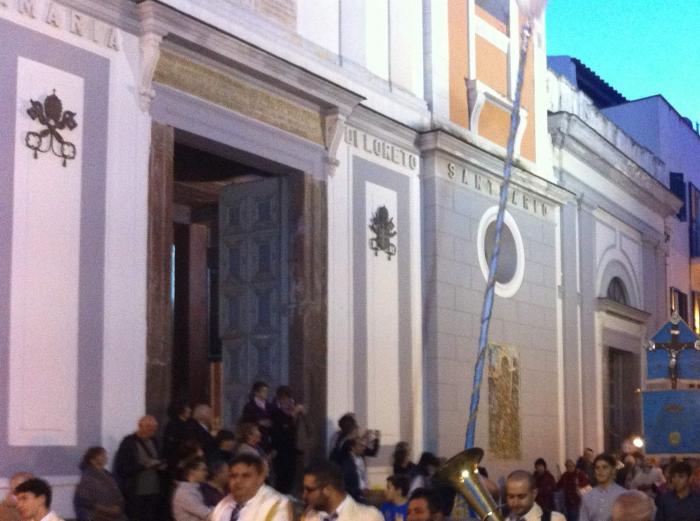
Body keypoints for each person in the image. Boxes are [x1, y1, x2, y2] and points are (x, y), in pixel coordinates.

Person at [113, 415, 166, 521]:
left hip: (154, 489)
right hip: (136, 491)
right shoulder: (128, 443)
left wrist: (161, 465)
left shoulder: (154, 441)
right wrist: (144, 466)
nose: (152, 431)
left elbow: (159, 458)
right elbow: (122, 467)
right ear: (140, 426)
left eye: (154, 428)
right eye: (149, 428)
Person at [210, 453, 291, 521]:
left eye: (246, 476)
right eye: (233, 476)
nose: (238, 481)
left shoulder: (277, 504)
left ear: (260, 478)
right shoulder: (223, 505)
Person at [300, 460, 383, 521]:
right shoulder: (309, 517)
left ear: (327, 490)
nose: (304, 495)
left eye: (309, 490)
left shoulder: (368, 517)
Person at [74, 447, 127, 521]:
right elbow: (86, 502)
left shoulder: (109, 476)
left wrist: (118, 507)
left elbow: (117, 494)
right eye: (101, 455)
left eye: (105, 454)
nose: (105, 457)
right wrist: (107, 510)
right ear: (92, 459)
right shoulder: (87, 478)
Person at [270, 385, 304, 494]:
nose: (288, 401)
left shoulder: (291, 410)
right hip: (280, 450)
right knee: (281, 477)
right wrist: (292, 415)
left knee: (291, 475)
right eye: (285, 398)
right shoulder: (275, 411)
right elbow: (282, 428)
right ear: (280, 398)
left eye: (289, 398)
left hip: (291, 449)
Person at [580, 453, 626, 521]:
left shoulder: (623, 495)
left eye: (605, 467)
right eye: (597, 468)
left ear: (613, 470)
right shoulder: (588, 496)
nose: (600, 471)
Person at [172, 457, 212, 521]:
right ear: (192, 472)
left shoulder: (194, 489)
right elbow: (206, 514)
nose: (206, 474)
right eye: (203, 470)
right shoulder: (185, 493)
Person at [240, 381, 274, 452]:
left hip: (268, 437)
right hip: (254, 438)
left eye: (266, 391)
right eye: (263, 391)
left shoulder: (270, 406)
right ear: (256, 392)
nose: (266, 394)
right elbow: (246, 422)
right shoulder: (249, 406)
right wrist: (259, 422)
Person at [163, 400, 192, 472]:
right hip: (177, 462)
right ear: (181, 409)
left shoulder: (187, 424)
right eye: (187, 408)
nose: (190, 410)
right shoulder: (174, 425)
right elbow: (173, 445)